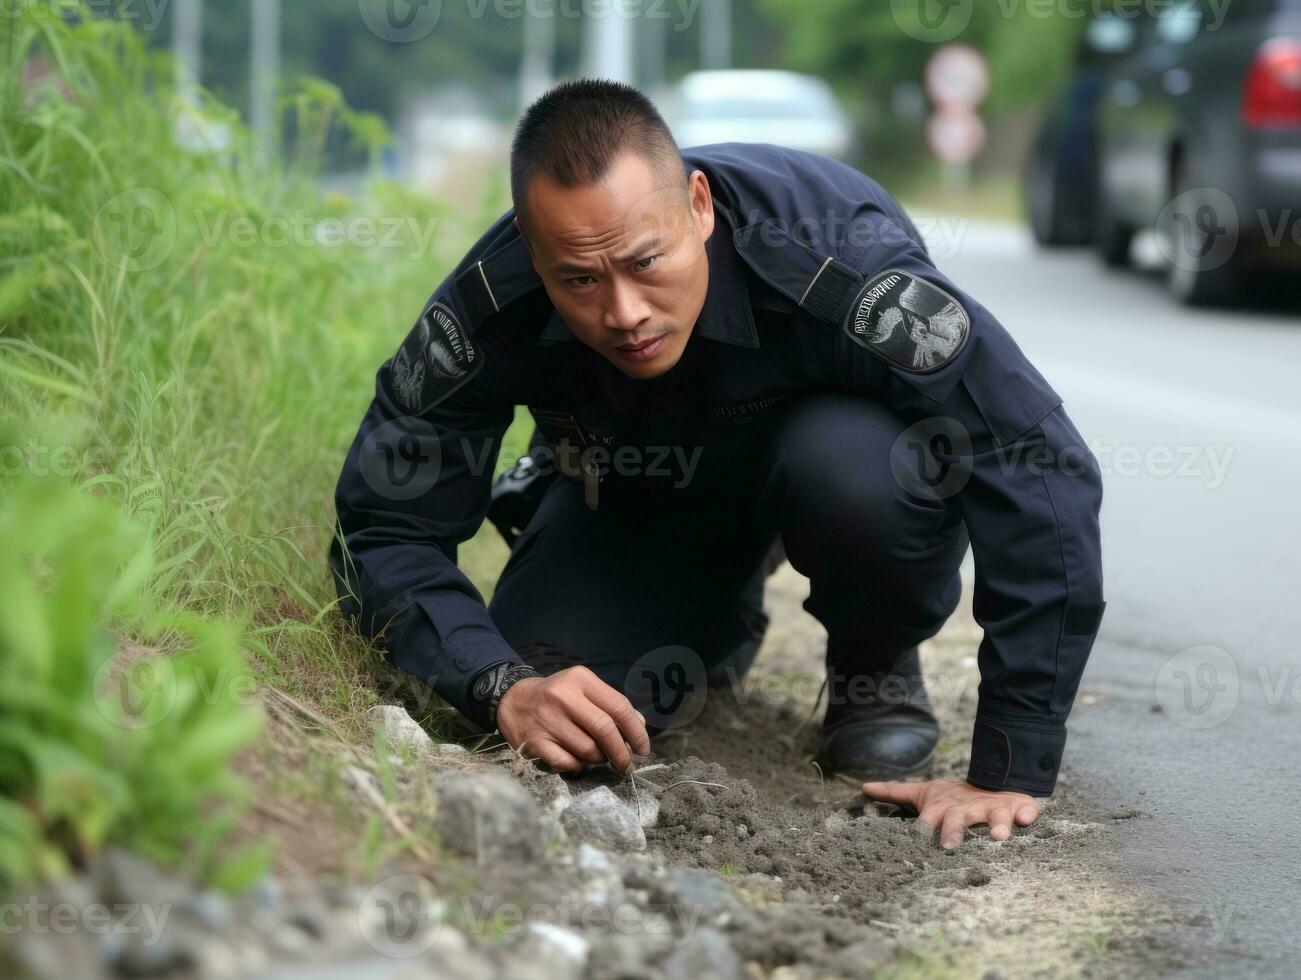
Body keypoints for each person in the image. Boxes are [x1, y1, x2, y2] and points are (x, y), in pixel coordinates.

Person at [330, 79, 1105, 850]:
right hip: (632, 499)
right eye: (578, 281)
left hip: (835, 476)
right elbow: (382, 526)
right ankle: (714, 614)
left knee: (856, 470)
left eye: (645, 262)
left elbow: (1033, 457)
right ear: (534, 257)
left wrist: (1010, 763)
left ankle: (875, 664)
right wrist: (500, 683)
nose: (624, 311)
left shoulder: (840, 263)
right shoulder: (489, 302)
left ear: (698, 206)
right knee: (568, 717)